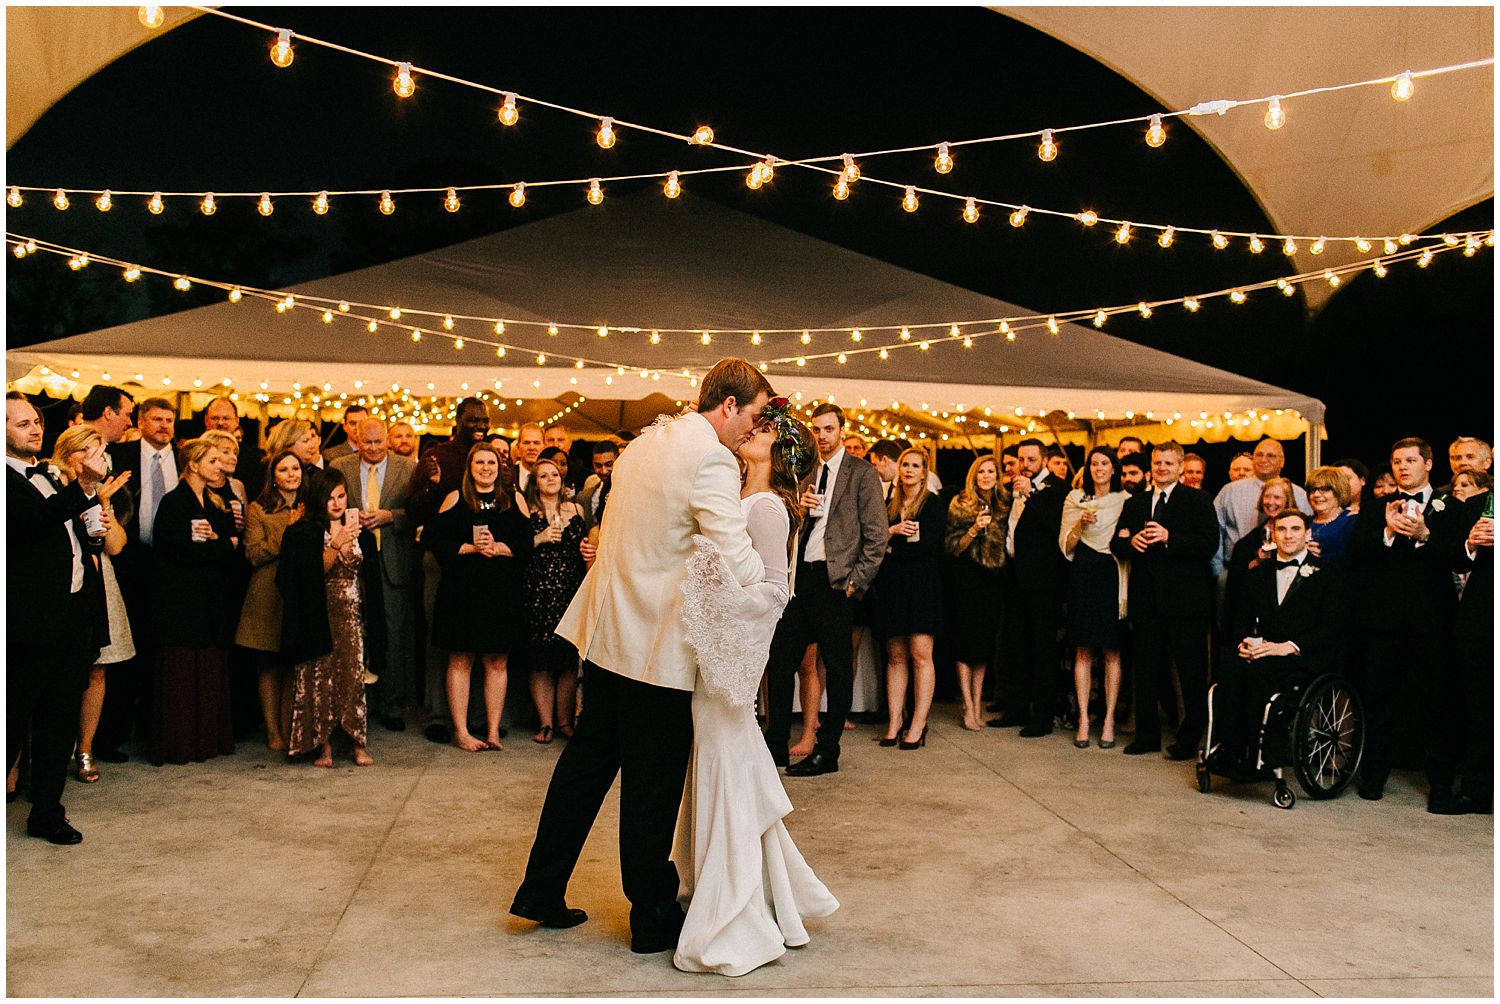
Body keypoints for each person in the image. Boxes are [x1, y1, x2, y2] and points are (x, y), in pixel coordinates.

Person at [511, 357, 771, 953]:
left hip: (608, 637)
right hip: (658, 647)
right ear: (728, 405)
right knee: (651, 788)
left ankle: (540, 888)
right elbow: (735, 554)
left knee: (583, 770)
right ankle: (652, 917)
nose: (751, 433)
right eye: (753, 417)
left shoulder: (644, 443)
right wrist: (769, 575)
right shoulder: (708, 457)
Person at [672, 404, 837, 975]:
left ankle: (734, 907)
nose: (751, 432)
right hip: (709, 653)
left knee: (726, 766)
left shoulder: (767, 507)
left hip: (728, 658)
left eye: (764, 430)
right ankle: (722, 889)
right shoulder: (732, 496)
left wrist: (714, 600)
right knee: (716, 768)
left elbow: (774, 591)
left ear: (781, 450)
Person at [6, 393, 117, 843]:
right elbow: (36, 520)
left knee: (58, 718)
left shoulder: (50, 477)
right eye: (20, 424)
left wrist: (93, 530)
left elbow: (74, 537)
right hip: (23, 621)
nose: (34, 429)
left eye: (35, 421)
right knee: (10, 718)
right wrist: (86, 486)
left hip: (68, 615)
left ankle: (47, 813)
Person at [765, 403, 888, 776]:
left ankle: (828, 751)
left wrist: (856, 582)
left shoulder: (861, 474)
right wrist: (797, 507)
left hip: (836, 582)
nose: (821, 435)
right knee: (781, 661)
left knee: (836, 668)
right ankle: (776, 747)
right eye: (817, 429)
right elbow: (783, 520)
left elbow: (877, 535)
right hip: (800, 578)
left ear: (841, 430)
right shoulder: (804, 470)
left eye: (828, 429)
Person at [1347, 438, 1463, 806]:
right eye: (1397, 461)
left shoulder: (1451, 509)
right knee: (1379, 703)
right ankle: (1373, 778)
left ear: (1429, 464)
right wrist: (1386, 533)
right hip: (1384, 624)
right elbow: (1356, 559)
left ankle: (1441, 786)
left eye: (1411, 460)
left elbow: (1463, 560)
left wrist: (1426, 535)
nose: (1403, 467)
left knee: (1437, 705)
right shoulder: (1374, 508)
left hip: (1433, 623)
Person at [1208, 510, 1344, 765]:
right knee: (1230, 666)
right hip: (1263, 651)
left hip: (1304, 655)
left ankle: (1256, 753)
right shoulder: (1257, 573)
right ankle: (1230, 747)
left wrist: (1288, 647)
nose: (1288, 535)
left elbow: (1331, 625)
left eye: (1295, 529)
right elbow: (1240, 620)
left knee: (1260, 672)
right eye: (1282, 530)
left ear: (1308, 534)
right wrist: (1243, 644)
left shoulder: (1328, 573)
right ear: (1273, 534)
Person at [1110, 442, 1219, 759]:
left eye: (1168, 463)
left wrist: (1170, 538)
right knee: (1145, 672)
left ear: (1181, 467)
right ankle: (1146, 736)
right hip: (1146, 602)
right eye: (1157, 463)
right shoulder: (1136, 503)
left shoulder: (1197, 500)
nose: (1161, 468)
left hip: (1186, 604)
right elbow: (1117, 544)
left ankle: (1189, 739)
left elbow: (1209, 543)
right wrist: (1131, 541)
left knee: (1191, 674)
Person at [427, 442, 532, 751]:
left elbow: (526, 545)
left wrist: (500, 547)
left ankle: (493, 730)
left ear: (500, 467)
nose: (486, 468)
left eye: (491, 462)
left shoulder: (514, 499)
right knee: (460, 659)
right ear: (469, 467)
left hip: (500, 592)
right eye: (480, 463)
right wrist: (471, 548)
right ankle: (461, 730)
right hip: (462, 591)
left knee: (497, 660)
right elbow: (437, 541)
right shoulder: (455, 498)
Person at [47, 427, 135, 785]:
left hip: (99, 579)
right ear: (71, 454)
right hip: (60, 583)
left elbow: (115, 546)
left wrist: (104, 502)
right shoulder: (48, 481)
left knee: (98, 668)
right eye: (93, 451)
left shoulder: (102, 490)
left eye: (102, 451)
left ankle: (85, 748)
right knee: (52, 674)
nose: (101, 458)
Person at [408, 397, 496, 744]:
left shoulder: (491, 456)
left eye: (484, 420)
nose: (480, 425)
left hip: (482, 563)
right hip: (443, 557)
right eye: (473, 419)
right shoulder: (437, 456)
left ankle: (476, 716)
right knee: (439, 636)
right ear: (458, 420)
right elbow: (414, 509)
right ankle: (438, 716)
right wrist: (430, 484)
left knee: (477, 637)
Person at [148, 438, 238, 766]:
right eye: (213, 460)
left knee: (209, 668)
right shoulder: (175, 503)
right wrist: (220, 545)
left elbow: (232, 544)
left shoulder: (215, 502)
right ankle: (182, 742)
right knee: (184, 672)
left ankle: (206, 740)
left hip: (210, 599)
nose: (220, 466)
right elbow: (180, 551)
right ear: (193, 464)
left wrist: (221, 545)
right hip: (182, 603)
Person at [97, 396, 176, 763]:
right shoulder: (122, 459)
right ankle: (113, 734)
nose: (164, 426)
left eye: (170, 420)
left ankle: (155, 724)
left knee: (163, 646)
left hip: (174, 565)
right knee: (127, 649)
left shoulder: (188, 458)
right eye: (157, 419)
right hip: (131, 560)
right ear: (140, 422)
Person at [277, 469, 374, 768]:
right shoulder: (303, 531)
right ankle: (324, 746)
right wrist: (335, 544)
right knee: (320, 678)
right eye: (330, 497)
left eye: (341, 496)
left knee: (353, 676)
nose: (336, 503)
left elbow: (368, 577)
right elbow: (304, 577)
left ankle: (358, 743)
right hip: (317, 612)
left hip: (352, 612)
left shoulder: (360, 530)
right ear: (319, 499)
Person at [332, 419, 418, 731]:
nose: (373, 448)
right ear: (356, 438)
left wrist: (389, 516)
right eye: (367, 443)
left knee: (393, 635)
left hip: (393, 560)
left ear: (387, 440)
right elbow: (329, 505)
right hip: (352, 559)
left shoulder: (408, 467)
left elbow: (419, 512)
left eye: (378, 443)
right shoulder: (339, 465)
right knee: (352, 632)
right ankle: (354, 704)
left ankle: (391, 705)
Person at [989, 438, 1069, 736]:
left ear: (1044, 461)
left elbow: (1054, 526)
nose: (1025, 465)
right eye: (1022, 459)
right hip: (1014, 577)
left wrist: (1032, 494)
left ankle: (1043, 716)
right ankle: (1016, 708)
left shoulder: (1057, 489)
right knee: (1015, 646)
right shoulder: (1013, 489)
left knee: (1042, 649)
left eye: (1031, 459)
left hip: (1043, 582)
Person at [876, 447, 947, 749]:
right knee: (895, 655)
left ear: (924, 471)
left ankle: (918, 723)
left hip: (922, 586)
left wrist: (893, 548)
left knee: (920, 654)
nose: (908, 470)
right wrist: (890, 534)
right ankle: (895, 721)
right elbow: (875, 539)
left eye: (915, 465)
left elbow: (929, 547)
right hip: (893, 586)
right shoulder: (888, 503)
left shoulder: (932, 504)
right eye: (905, 464)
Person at [1059, 447, 1130, 749]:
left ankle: (1110, 719)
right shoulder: (1074, 499)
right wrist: (1079, 525)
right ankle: (1085, 719)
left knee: (1112, 651)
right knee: (1083, 650)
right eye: (1094, 464)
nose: (1099, 468)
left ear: (1114, 468)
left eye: (1105, 463)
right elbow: (1066, 544)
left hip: (1112, 571)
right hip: (1084, 571)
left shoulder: (1124, 501)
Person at [235, 449, 303, 750]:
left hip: (300, 591)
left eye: (296, 468)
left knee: (294, 663)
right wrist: (289, 529)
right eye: (284, 470)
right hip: (267, 591)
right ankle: (273, 730)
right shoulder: (258, 509)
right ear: (273, 477)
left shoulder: (312, 504)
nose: (292, 474)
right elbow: (253, 553)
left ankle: (291, 726)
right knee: (269, 665)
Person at [523, 456, 588, 743]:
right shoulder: (526, 510)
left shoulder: (576, 509)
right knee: (540, 660)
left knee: (566, 659)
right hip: (538, 591)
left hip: (569, 590)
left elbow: (585, 545)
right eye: (543, 476)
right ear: (534, 483)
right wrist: (540, 537)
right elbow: (517, 547)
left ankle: (564, 721)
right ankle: (545, 723)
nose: (551, 479)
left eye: (554, 474)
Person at [944, 455, 1007, 731]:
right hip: (966, 578)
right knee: (965, 643)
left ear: (997, 476)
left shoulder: (1004, 503)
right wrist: (973, 528)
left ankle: (978, 702)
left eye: (991, 471)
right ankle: (967, 705)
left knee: (983, 646)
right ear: (974, 475)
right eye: (981, 471)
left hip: (992, 580)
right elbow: (952, 547)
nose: (986, 476)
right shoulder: (960, 504)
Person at [1444, 490, 1493, 813]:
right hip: (1483, 614)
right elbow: (1454, 559)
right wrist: (1471, 544)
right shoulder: (1477, 503)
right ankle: (1476, 790)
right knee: (1480, 704)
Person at [1211, 438, 1310, 577]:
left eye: (1271, 456)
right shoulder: (1229, 491)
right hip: (1235, 571)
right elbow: (1215, 530)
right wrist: (1219, 571)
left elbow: (1308, 532)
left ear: (1282, 461)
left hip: (1288, 573)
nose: (1264, 459)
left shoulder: (1299, 494)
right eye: (1259, 455)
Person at [1221, 477, 1294, 635]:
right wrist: (1257, 561)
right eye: (1267, 497)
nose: (1270, 502)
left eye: (1277, 497)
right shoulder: (1253, 538)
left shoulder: (1296, 529)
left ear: (1287, 501)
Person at [203, 396, 266, 499]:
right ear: (206, 421)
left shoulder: (255, 457)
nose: (220, 423)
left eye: (226, 418)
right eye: (215, 418)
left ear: (237, 421)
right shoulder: (196, 453)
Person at [1304, 466, 1357, 567]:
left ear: (1339, 491)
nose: (1316, 495)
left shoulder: (1351, 521)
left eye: (1324, 489)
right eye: (1313, 490)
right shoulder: (1304, 521)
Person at [267, 418, 324, 482]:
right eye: (306, 441)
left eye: (311, 439)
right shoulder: (263, 472)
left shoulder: (317, 474)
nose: (312, 445)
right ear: (288, 444)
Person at [515, 422, 545, 491]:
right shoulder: (507, 477)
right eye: (526, 443)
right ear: (518, 447)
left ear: (544, 447)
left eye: (536, 443)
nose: (531, 447)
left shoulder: (551, 478)